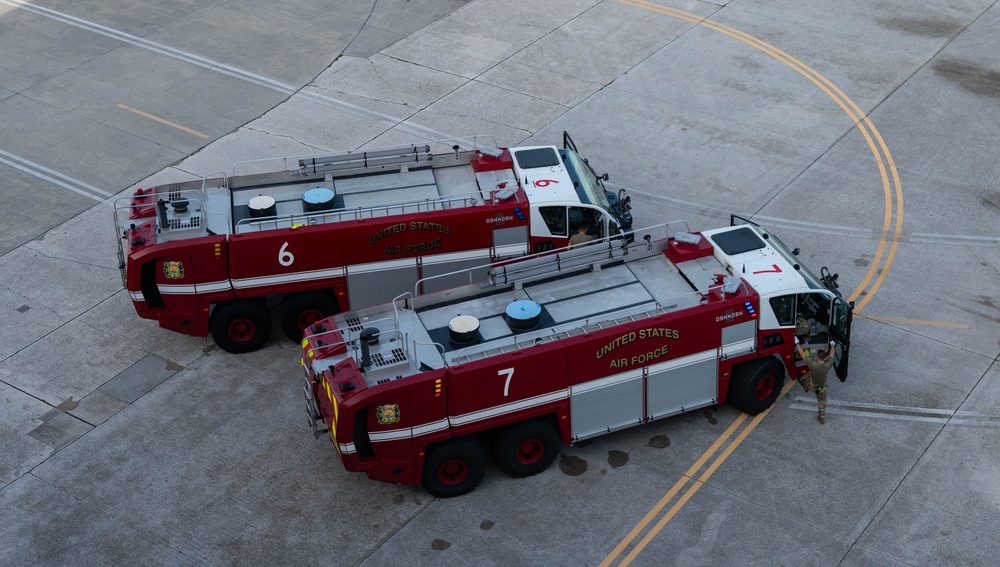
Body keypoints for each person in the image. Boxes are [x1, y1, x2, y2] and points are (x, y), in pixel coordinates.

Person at [794, 337, 834, 424]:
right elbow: (831, 355)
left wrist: (797, 343)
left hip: (811, 385)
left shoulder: (813, 364)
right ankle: (821, 417)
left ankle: (806, 388)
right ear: (824, 358)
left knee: (807, 375)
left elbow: (801, 353)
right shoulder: (828, 364)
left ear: (817, 357)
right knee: (821, 403)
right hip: (820, 388)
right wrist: (832, 345)